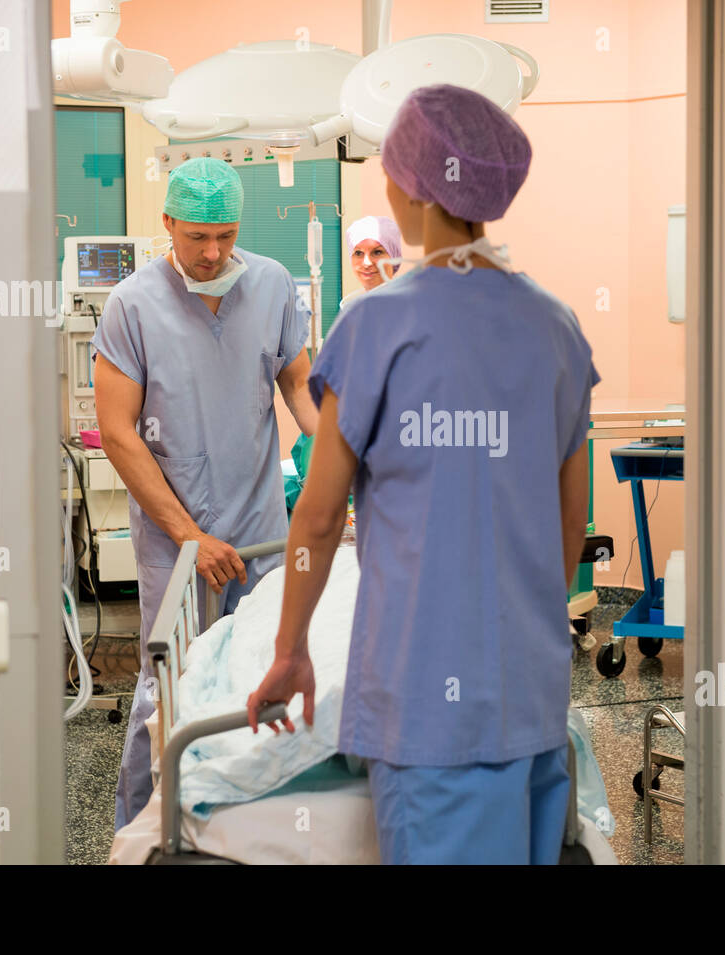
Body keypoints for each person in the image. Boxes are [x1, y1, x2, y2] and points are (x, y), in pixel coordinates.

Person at [245, 84, 599, 864]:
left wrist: (291, 647)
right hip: (531, 699)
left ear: (413, 190)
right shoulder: (556, 328)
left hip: (429, 712)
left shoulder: (376, 325)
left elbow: (317, 517)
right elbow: (568, 528)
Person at [92, 157, 318, 831]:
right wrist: (190, 534)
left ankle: (244, 820)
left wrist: (347, 464)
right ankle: (143, 830)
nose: (214, 252)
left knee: (259, 669)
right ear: (167, 224)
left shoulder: (272, 285)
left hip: (258, 522)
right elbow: (117, 432)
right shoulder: (133, 304)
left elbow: (300, 388)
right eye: (197, 237)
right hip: (176, 538)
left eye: (225, 234)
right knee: (170, 686)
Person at [339, 215, 402, 309]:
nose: (367, 263)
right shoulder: (351, 307)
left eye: (377, 252)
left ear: (394, 257)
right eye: (358, 253)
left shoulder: (410, 308)